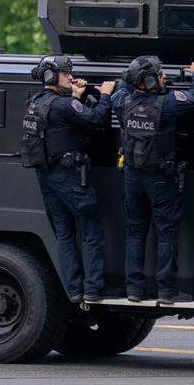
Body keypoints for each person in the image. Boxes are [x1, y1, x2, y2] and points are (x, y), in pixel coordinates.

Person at [20, 55, 116, 304]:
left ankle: (74, 290)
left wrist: (76, 95)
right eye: (65, 73)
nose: (71, 77)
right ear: (52, 76)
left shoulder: (36, 102)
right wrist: (105, 95)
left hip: (47, 176)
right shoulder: (63, 105)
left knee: (63, 234)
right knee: (90, 230)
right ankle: (93, 289)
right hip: (69, 176)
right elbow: (97, 120)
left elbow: (62, 123)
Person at [111, 56, 194, 304]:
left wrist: (130, 75)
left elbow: (121, 86)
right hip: (160, 178)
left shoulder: (122, 101)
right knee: (166, 234)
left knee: (135, 233)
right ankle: (167, 291)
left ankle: (134, 290)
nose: (164, 77)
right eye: (161, 74)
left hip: (132, 177)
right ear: (151, 79)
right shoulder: (167, 104)